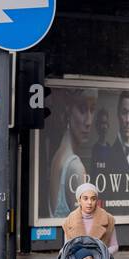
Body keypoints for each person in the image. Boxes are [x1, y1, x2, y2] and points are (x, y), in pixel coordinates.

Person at [48, 89, 97, 219]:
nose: (89, 122)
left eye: (92, 110)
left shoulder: (58, 156)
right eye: (82, 109)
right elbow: (84, 223)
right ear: (69, 111)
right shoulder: (75, 166)